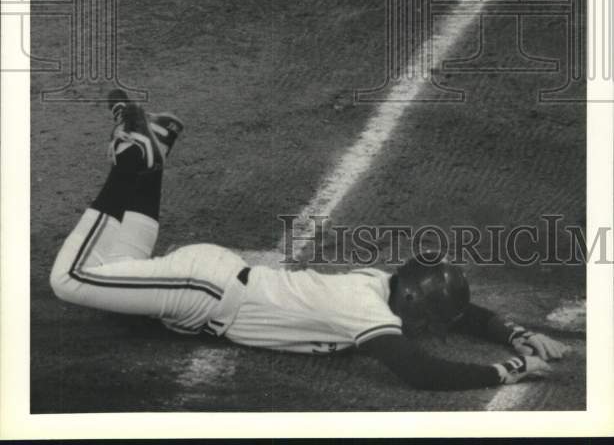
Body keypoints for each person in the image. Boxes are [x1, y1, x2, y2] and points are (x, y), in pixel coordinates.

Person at [50, 91, 570, 392]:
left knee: (116, 262)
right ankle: (131, 165)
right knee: (70, 280)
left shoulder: (383, 284)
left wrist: (516, 334)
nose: (428, 330)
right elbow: (420, 371)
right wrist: (508, 370)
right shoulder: (365, 312)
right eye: (427, 320)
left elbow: (462, 311)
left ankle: (152, 153)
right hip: (205, 290)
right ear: (410, 300)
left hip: (211, 285)